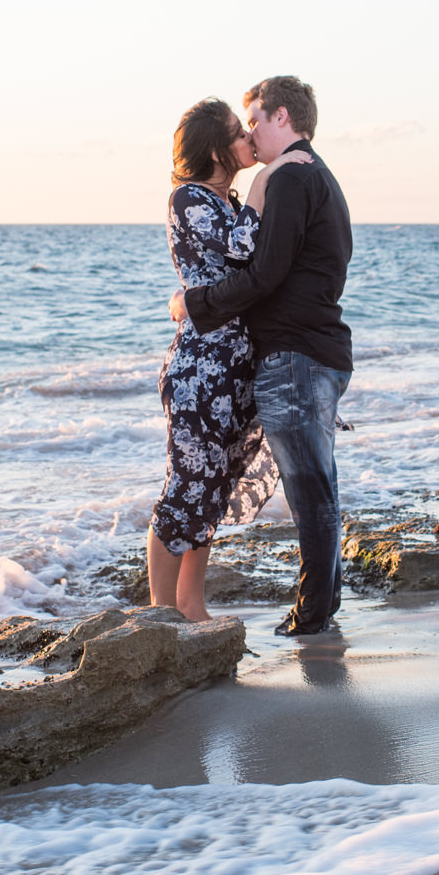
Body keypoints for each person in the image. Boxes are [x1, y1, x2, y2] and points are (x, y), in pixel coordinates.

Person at [171, 76, 353, 636]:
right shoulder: (314, 175)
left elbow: (264, 273)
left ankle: (313, 613)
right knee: (318, 485)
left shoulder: (292, 177)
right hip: (313, 350)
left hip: (297, 356)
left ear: (280, 117)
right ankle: (323, 603)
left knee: (310, 490)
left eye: (254, 119)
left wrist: (192, 303)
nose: (250, 131)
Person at [148, 97, 308, 620]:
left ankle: (191, 608)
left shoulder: (231, 204)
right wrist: (267, 179)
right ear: (214, 148)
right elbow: (243, 250)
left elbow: (260, 258)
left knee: (211, 493)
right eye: (239, 132)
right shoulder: (187, 199)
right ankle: (157, 614)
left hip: (234, 370)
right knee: (186, 487)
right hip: (200, 370)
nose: (248, 139)